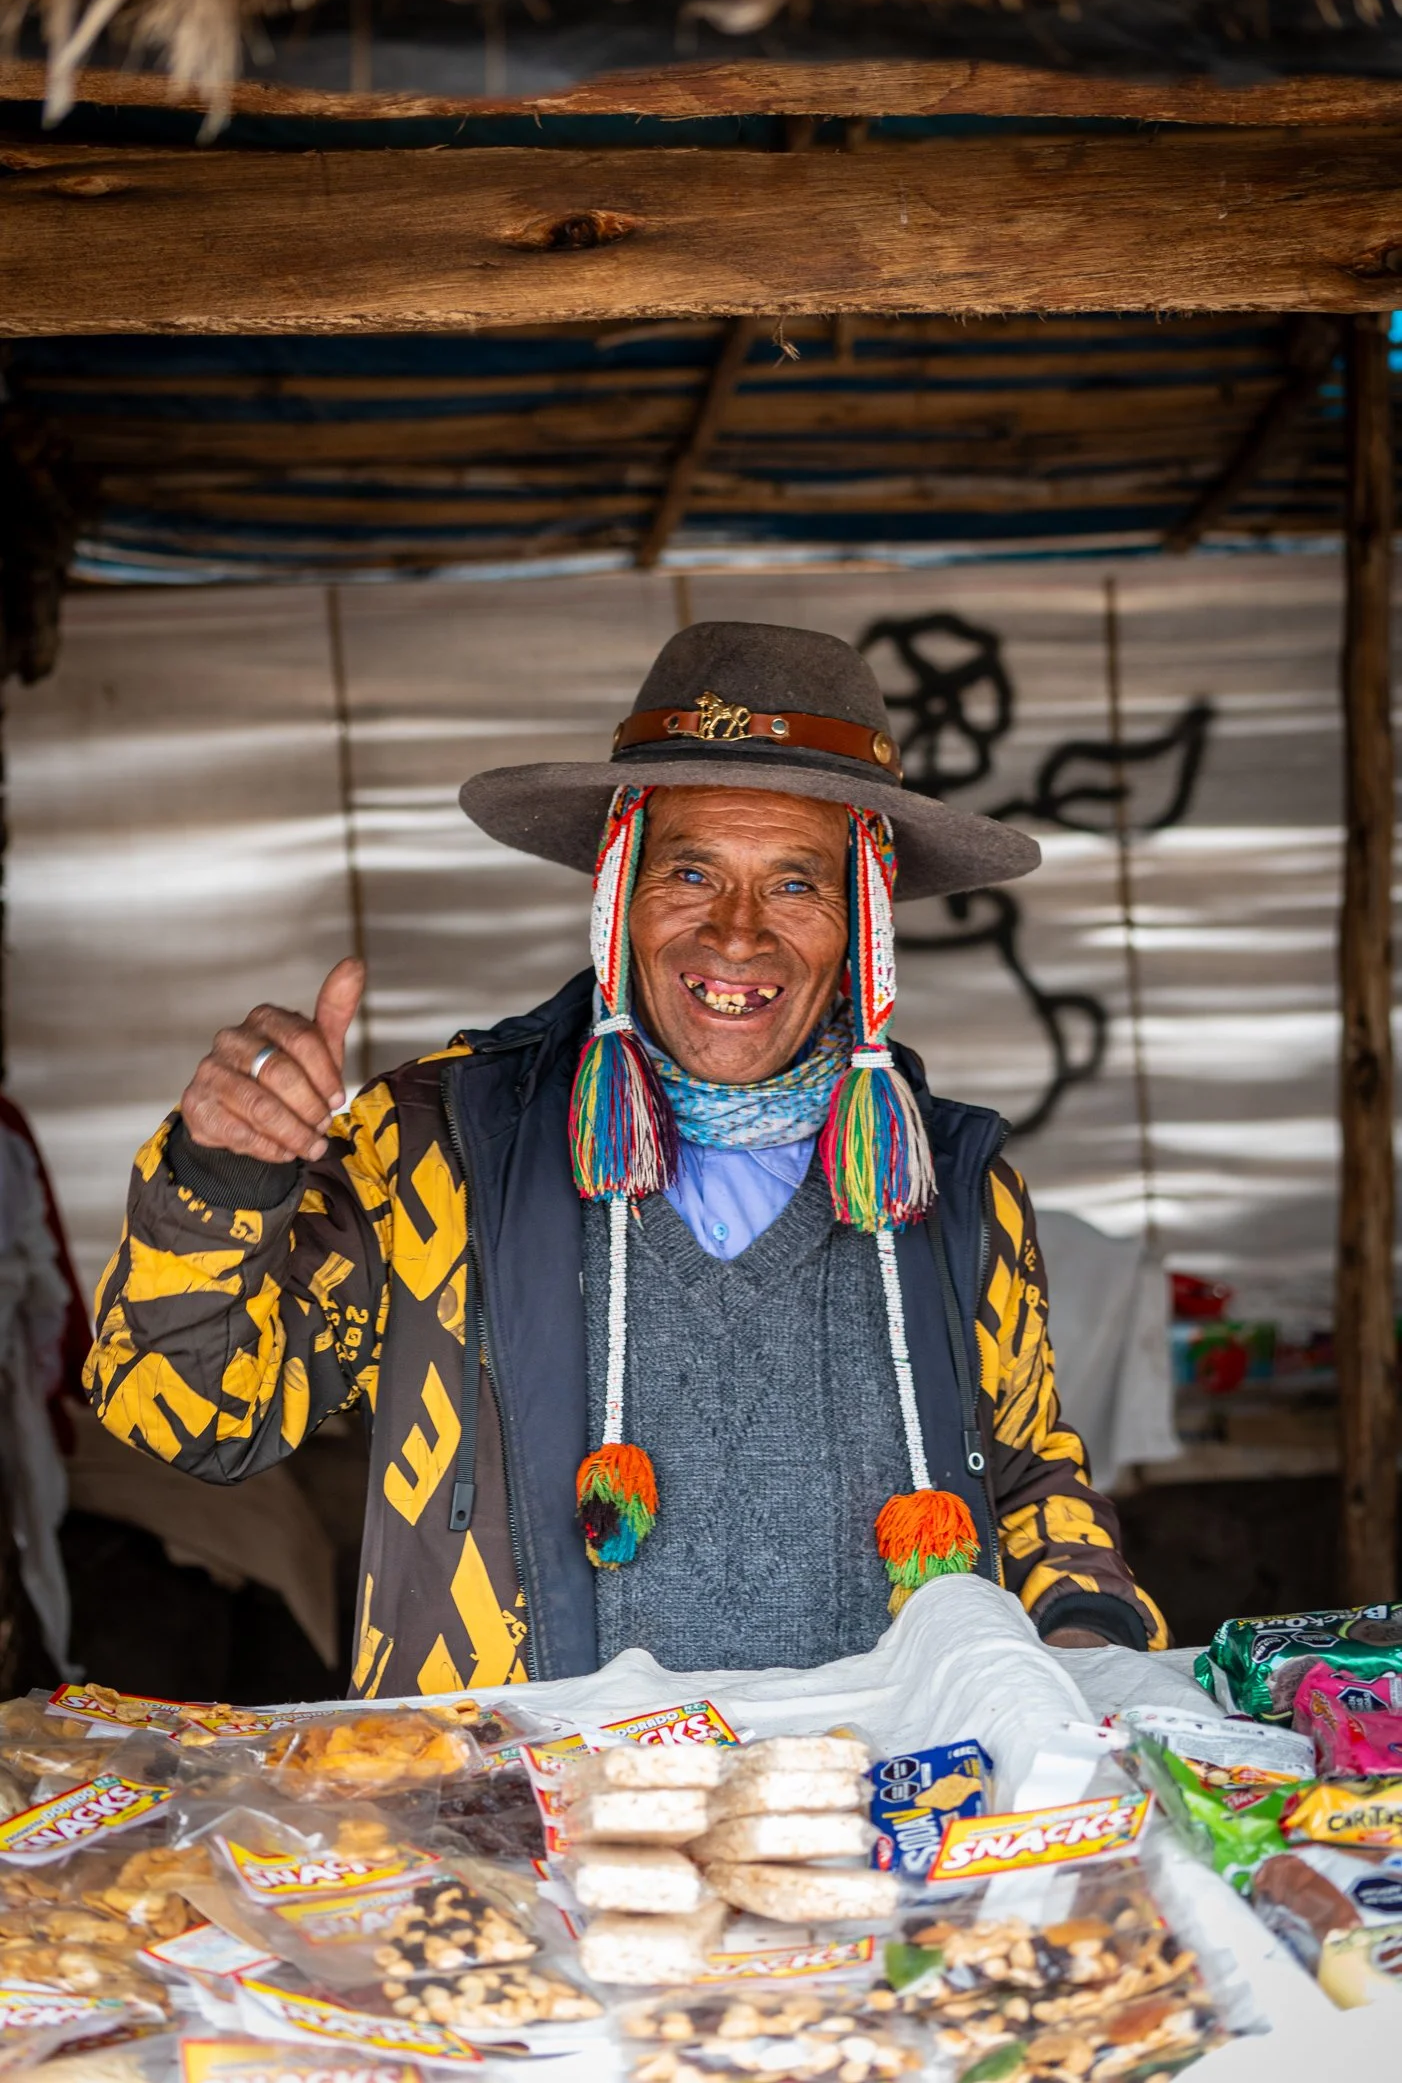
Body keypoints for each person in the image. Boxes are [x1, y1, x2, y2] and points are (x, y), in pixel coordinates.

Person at [86, 622, 1166, 1695]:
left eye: (795, 884)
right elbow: (191, 1418)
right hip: (521, 1824)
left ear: (863, 923)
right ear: (618, 895)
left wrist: (1085, 1641)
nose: (737, 934)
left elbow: (1026, 1472)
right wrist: (225, 1179)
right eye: (690, 872)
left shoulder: (952, 1186)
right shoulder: (436, 1148)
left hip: (884, 1812)